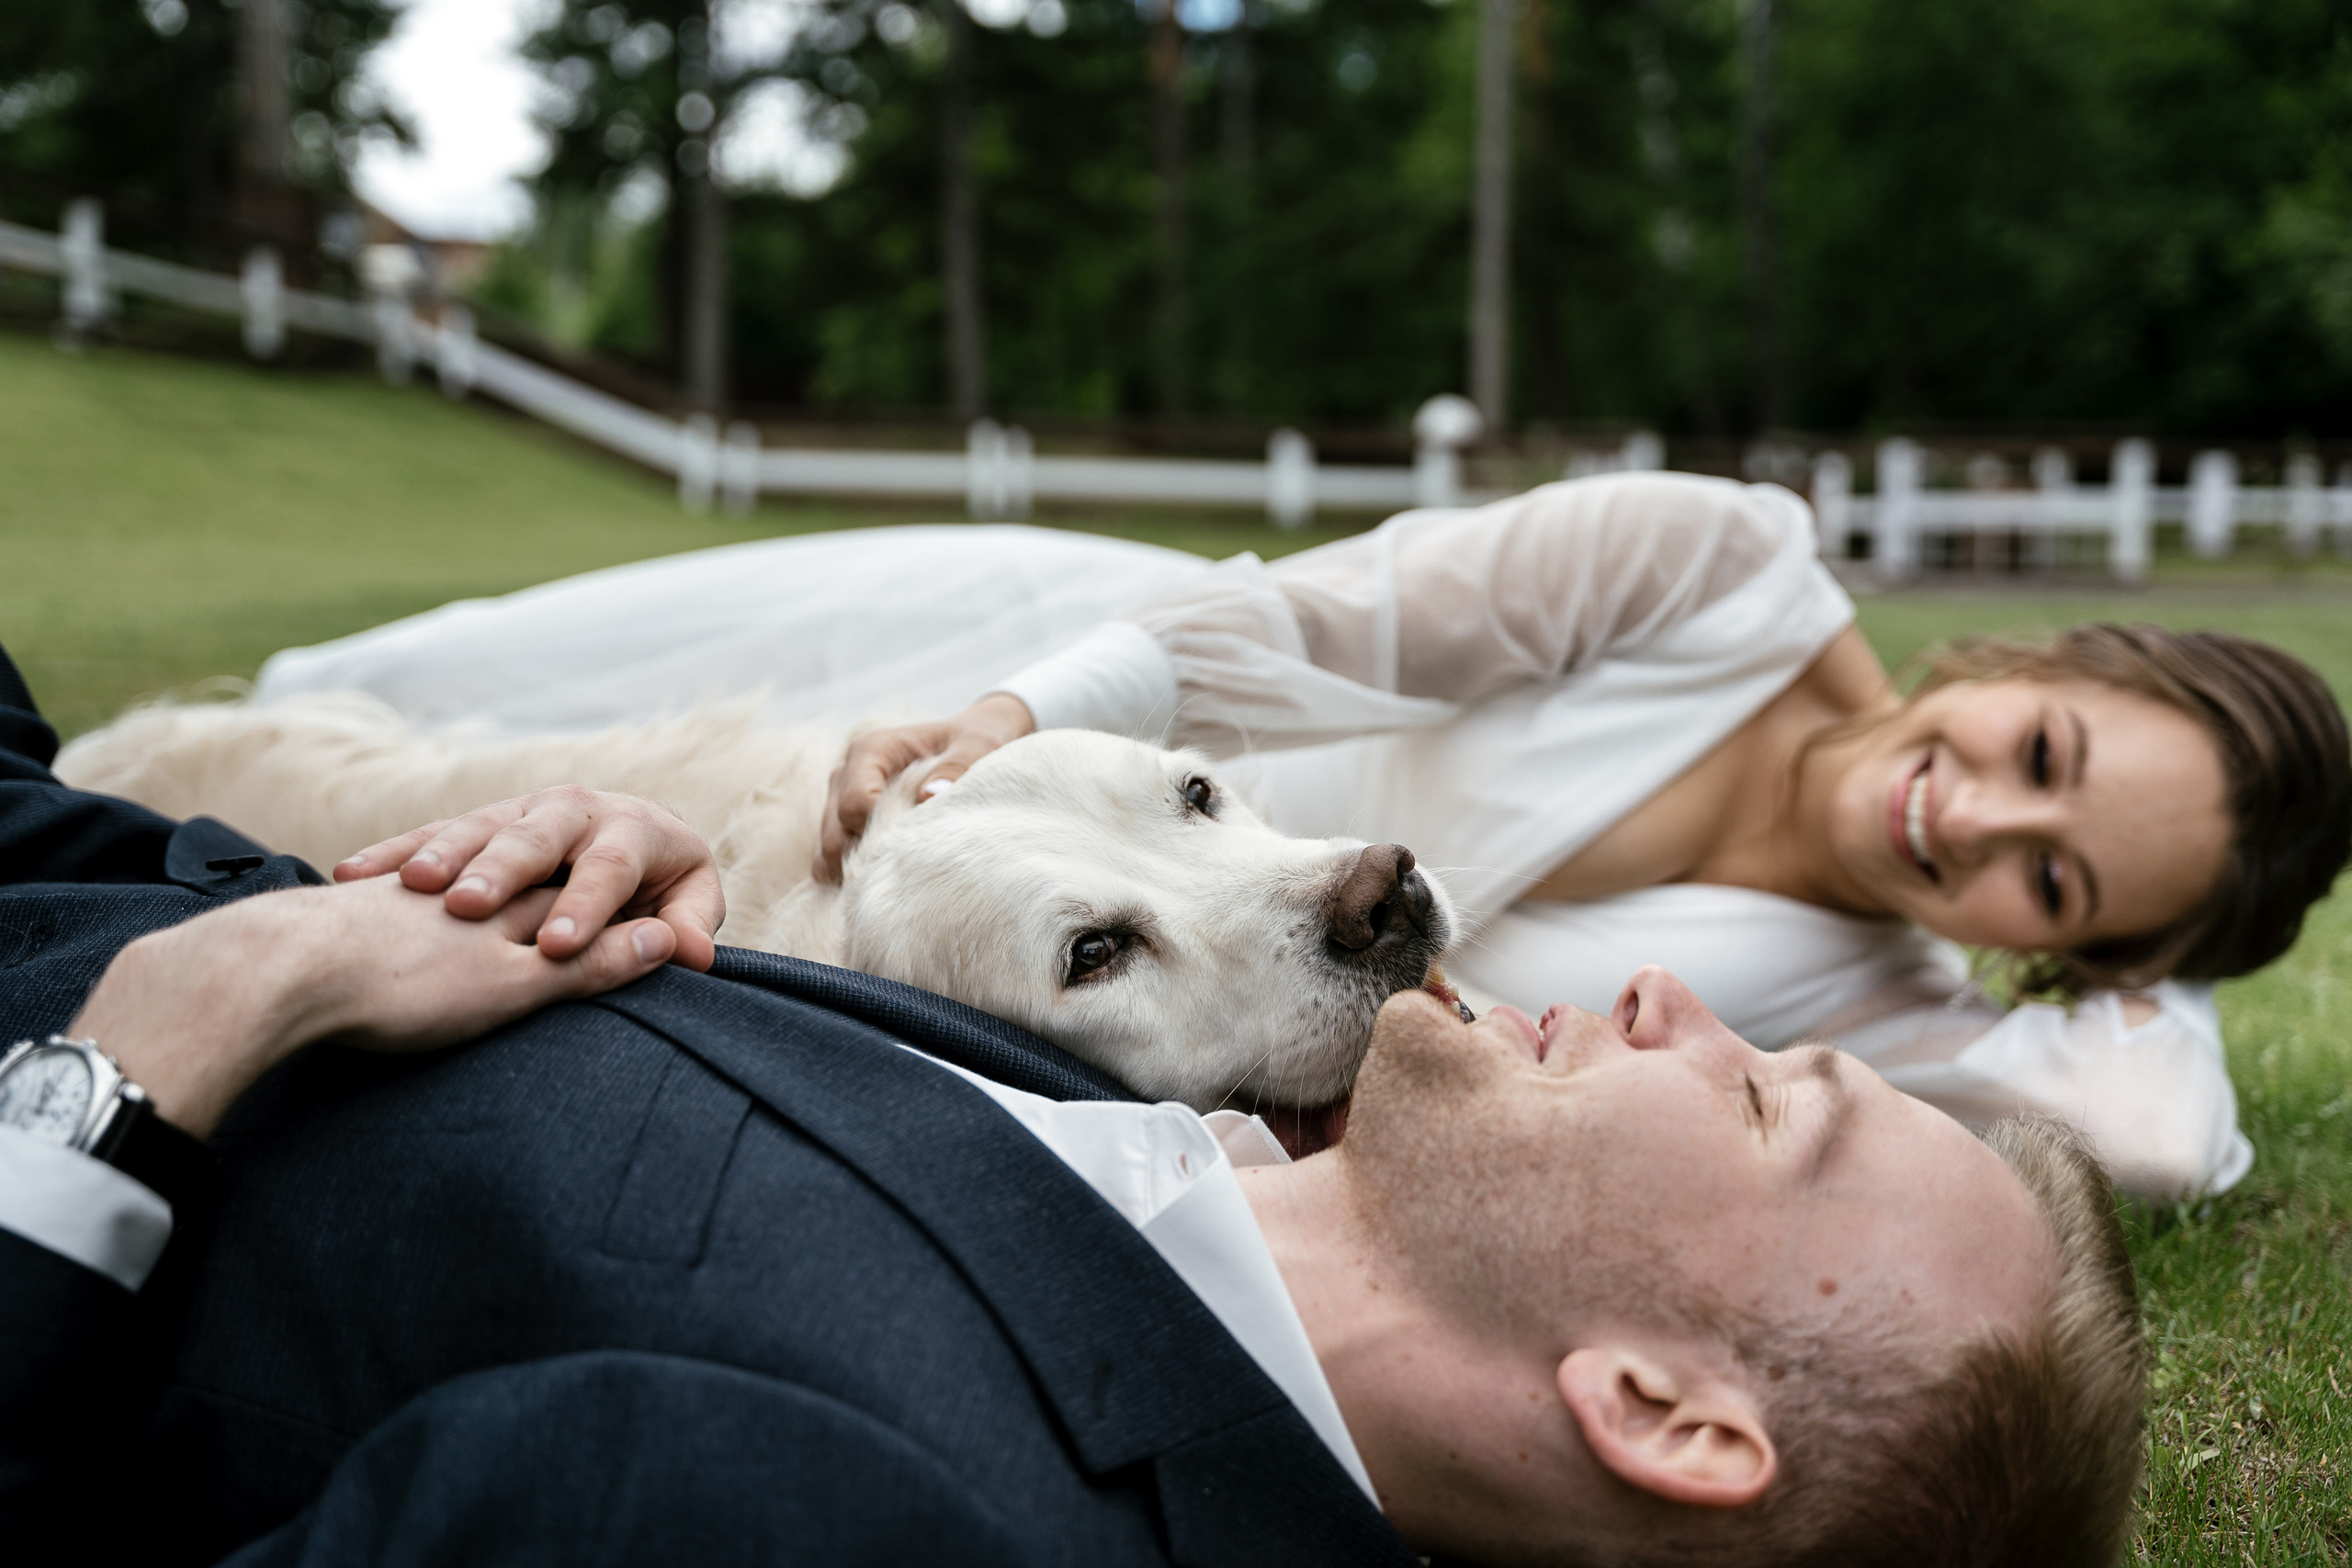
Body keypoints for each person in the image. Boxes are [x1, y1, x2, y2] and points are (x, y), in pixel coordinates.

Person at [0, 652, 2146, 1565]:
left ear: (1663, 1409)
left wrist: (155, 1051)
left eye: (1765, 1101)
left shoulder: (843, 1522)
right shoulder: (1178, 1169)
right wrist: (643, 911)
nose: (1680, 1003)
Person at [248, 474, 2349, 1200]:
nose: (1969, 810)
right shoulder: (1723, 565)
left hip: (1166, 981)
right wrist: (1006, 719)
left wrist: (2148, 985)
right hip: (1107, 713)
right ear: (2030, 658)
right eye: (2039, 746)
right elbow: (1320, 626)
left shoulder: (1891, 1017)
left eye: (2054, 877)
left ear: (2070, 947)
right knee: (456, 727)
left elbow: (2157, 1137)